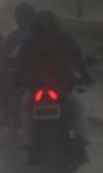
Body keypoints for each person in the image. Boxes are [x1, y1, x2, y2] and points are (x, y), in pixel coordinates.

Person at [16, 10, 94, 152]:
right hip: (62, 90)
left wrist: (16, 83)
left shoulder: (29, 45)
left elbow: (19, 69)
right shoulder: (67, 41)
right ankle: (82, 138)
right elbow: (79, 63)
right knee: (78, 108)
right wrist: (87, 79)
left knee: (25, 106)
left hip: (38, 91)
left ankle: (27, 140)